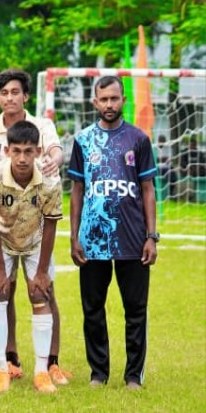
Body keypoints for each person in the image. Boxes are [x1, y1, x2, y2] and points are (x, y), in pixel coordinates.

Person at [0, 68, 70, 384]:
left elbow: (55, 152)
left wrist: (53, 161)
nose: (10, 98)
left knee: (42, 290)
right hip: (2, 227)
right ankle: (6, 361)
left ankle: (48, 365)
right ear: (8, 150)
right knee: (3, 288)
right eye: (4, 93)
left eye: (15, 92)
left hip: (34, 230)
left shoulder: (43, 131)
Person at [68, 75, 158, 389]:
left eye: (114, 98)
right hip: (93, 240)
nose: (109, 104)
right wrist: (74, 236)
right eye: (104, 99)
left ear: (123, 100)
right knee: (93, 309)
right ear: (95, 102)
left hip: (132, 239)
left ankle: (133, 375)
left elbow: (148, 189)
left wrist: (151, 236)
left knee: (135, 309)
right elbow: (77, 190)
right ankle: (98, 373)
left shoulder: (138, 139)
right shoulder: (83, 140)